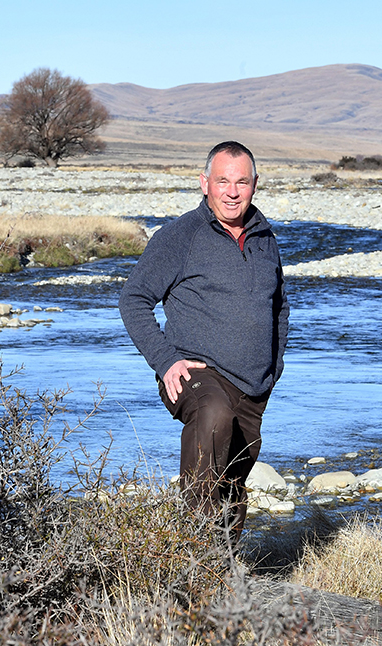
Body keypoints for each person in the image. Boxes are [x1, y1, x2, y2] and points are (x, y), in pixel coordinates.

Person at [119, 141, 288, 539]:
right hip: (195, 373)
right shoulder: (181, 236)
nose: (232, 191)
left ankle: (223, 572)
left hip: (252, 385)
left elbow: (279, 307)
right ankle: (194, 561)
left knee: (231, 480)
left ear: (255, 185)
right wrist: (165, 360)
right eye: (222, 181)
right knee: (213, 417)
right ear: (204, 183)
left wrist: (272, 368)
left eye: (241, 182)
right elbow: (134, 298)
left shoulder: (265, 238)